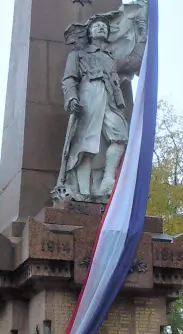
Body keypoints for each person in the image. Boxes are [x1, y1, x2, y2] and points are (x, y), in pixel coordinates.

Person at [59, 13, 146, 198]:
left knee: (120, 136)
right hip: (89, 94)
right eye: (96, 26)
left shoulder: (111, 58)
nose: (101, 28)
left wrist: (142, 32)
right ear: (89, 32)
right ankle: (83, 191)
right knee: (86, 144)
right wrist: (72, 98)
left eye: (104, 27)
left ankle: (108, 179)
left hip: (111, 99)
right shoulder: (78, 54)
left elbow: (135, 61)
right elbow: (69, 79)